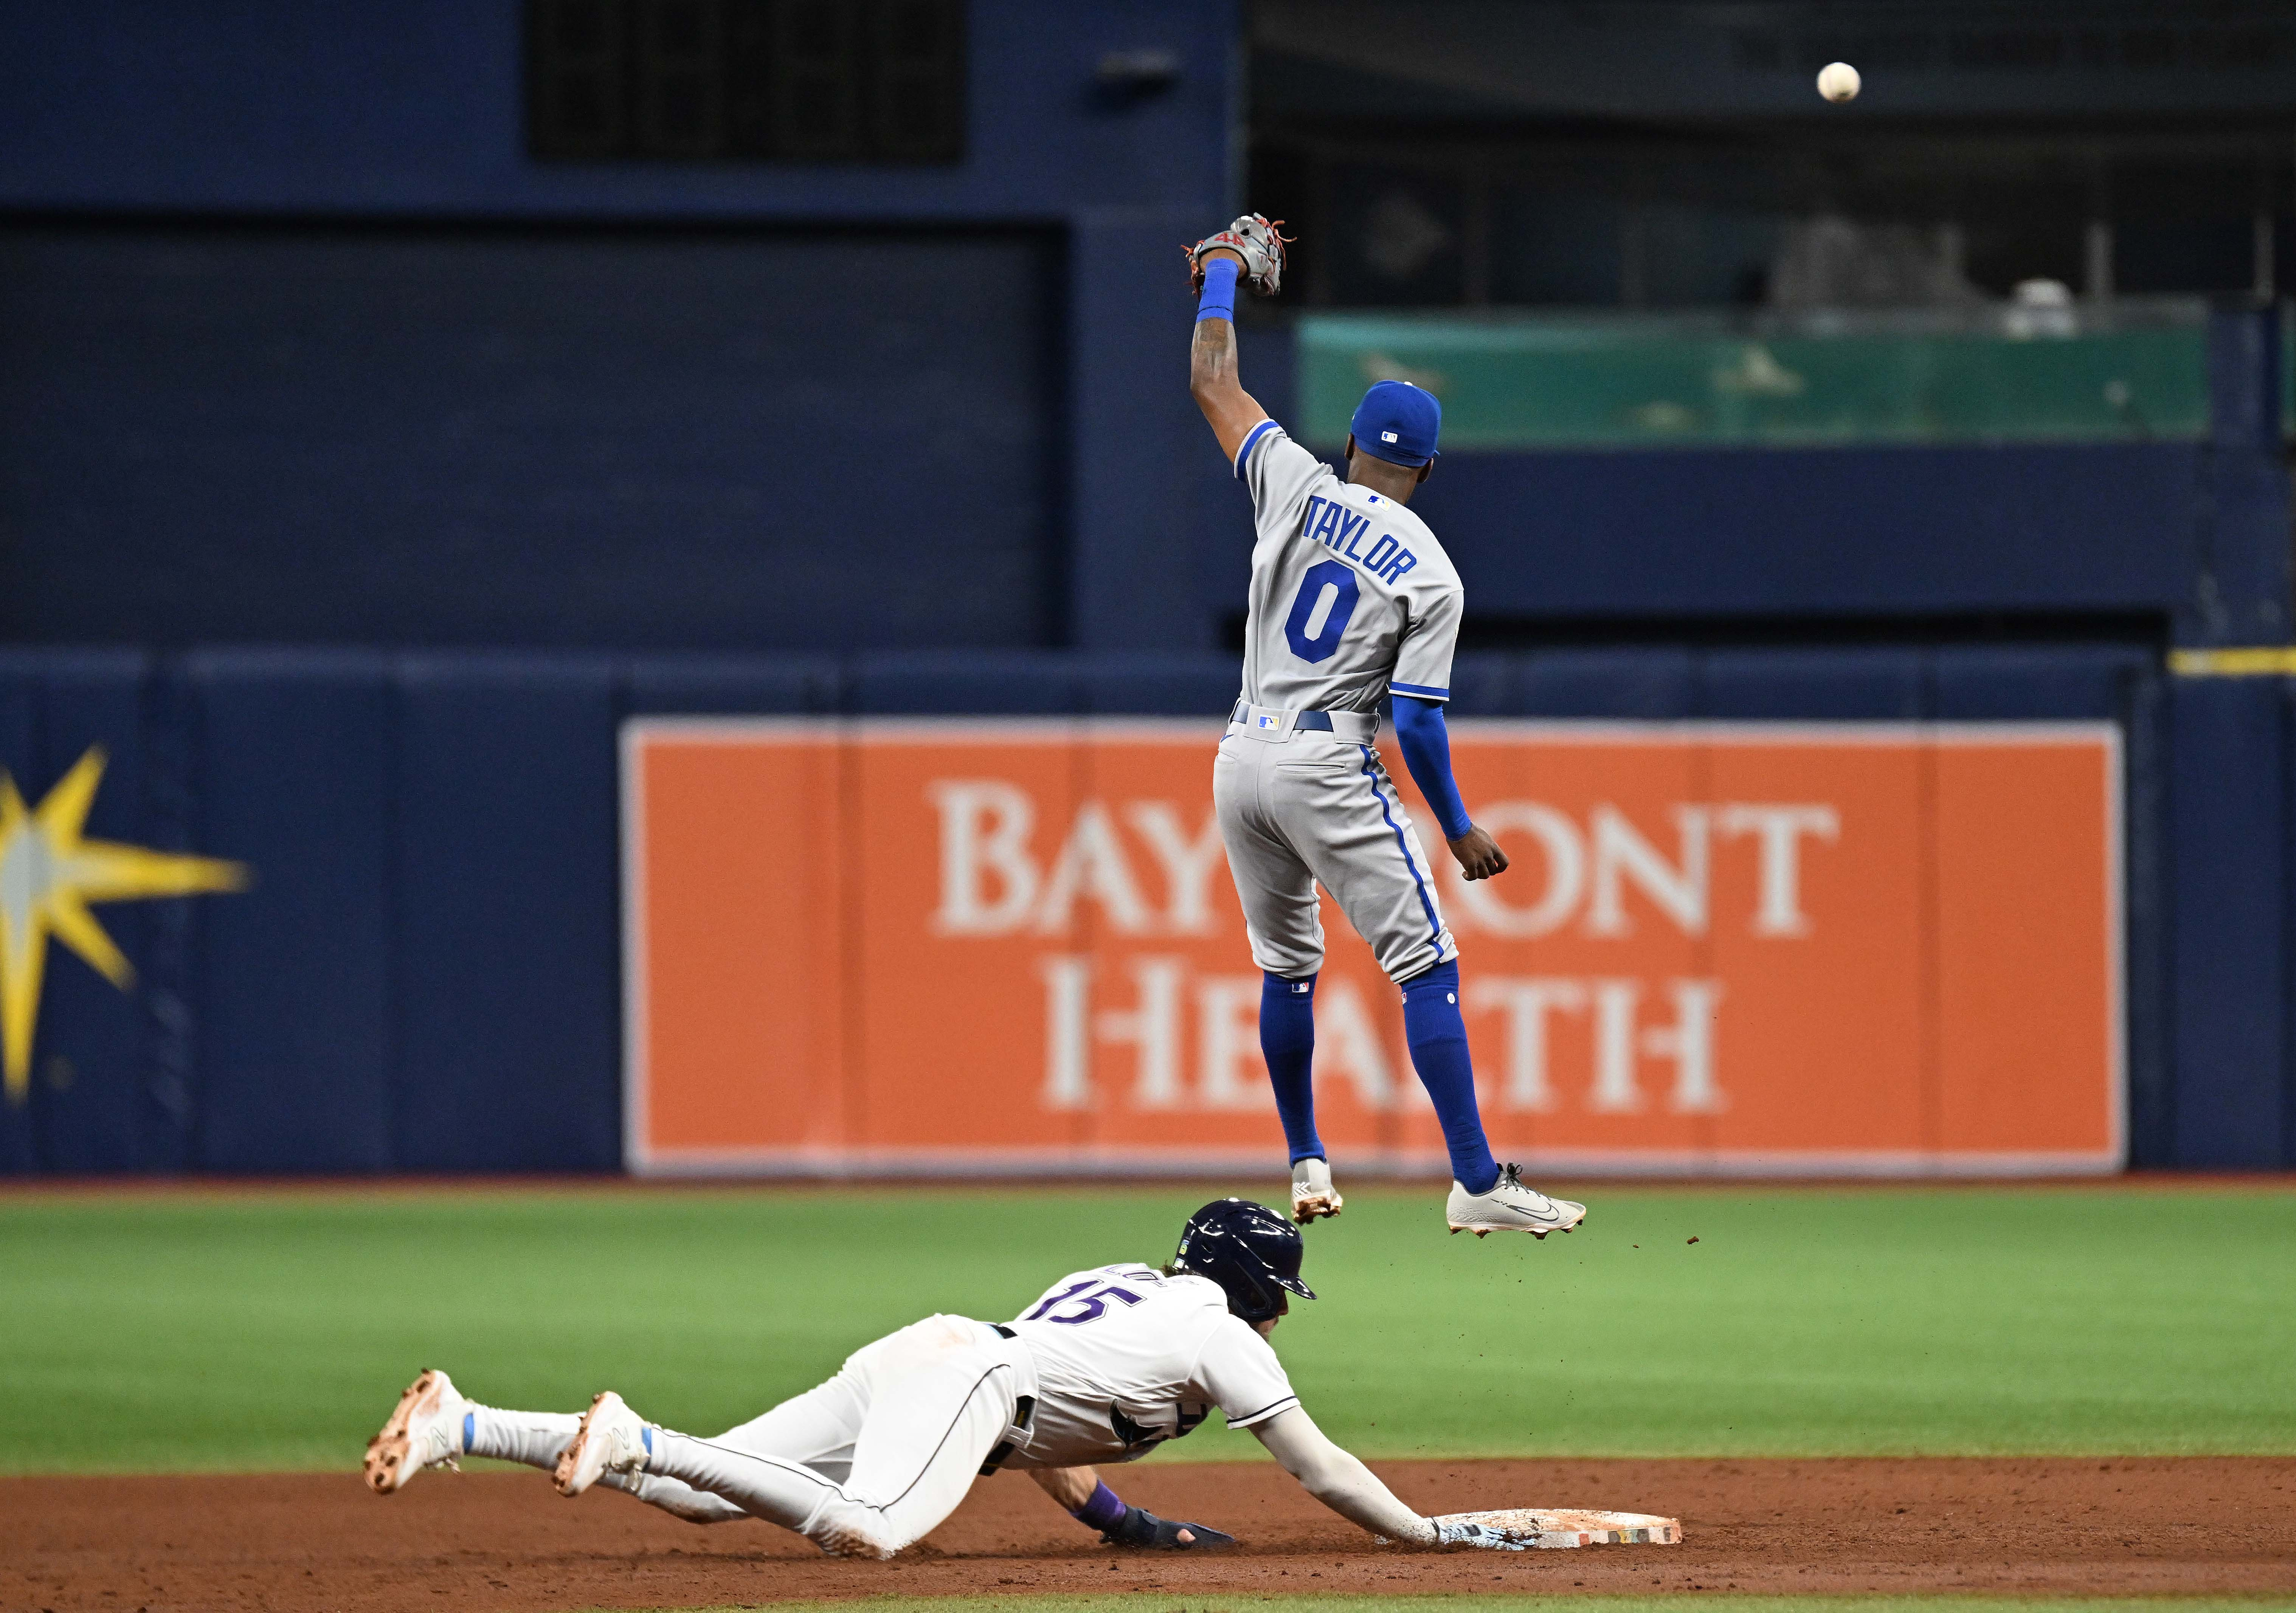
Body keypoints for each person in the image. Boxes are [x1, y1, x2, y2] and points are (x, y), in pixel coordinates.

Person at [363, 1199, 1531, 1559]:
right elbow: (1317, 1467)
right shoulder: (1224, 1329)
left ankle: (464, 1416)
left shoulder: (1129, 1283)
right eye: (1282, 1291)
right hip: (969, 1380)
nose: (1283, 1311)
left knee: (708, 1493)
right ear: (1255, 1286)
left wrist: (1126, 1524)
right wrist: (1418, 1535)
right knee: (868, 1532)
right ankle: (631, 1435)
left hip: (929, 1356)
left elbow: (1029, 1430)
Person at [1184, 214, 1586, 1238]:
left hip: (1240, 756)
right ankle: (1475, 1177)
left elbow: (1214, 385)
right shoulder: (1432, 568)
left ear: (1354, 445)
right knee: (1426, 964)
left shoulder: (1294, 481)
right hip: (1325, 756)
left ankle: (1305, 1157)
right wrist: (1453, 824)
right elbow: (1413, 719)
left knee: (1285, 965)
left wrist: (1222, 274)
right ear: (1430, 471)